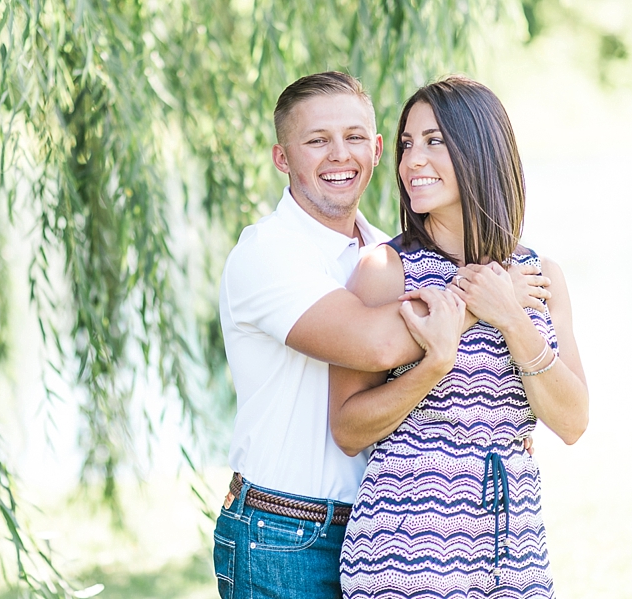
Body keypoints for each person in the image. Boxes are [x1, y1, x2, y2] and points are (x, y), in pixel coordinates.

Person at [212, 71, 549, 599]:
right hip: (282, 533)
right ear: (283, 158)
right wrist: (490, 299)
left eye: (353, 138)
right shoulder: (267, 254)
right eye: (316, 141)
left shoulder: (384, 252)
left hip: (381, 526)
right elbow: (381, 344)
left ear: (374, 150)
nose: (338, 155)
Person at [332, 76, 589, 599]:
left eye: (434, 141)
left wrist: (512, 318)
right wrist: (455, 330)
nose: (411, 161)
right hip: (406, 550)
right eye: (406, 144)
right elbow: (349, 429)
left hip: (513, 546)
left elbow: (572, 422)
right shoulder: (387, 269)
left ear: (480, 149)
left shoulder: (540, 274)